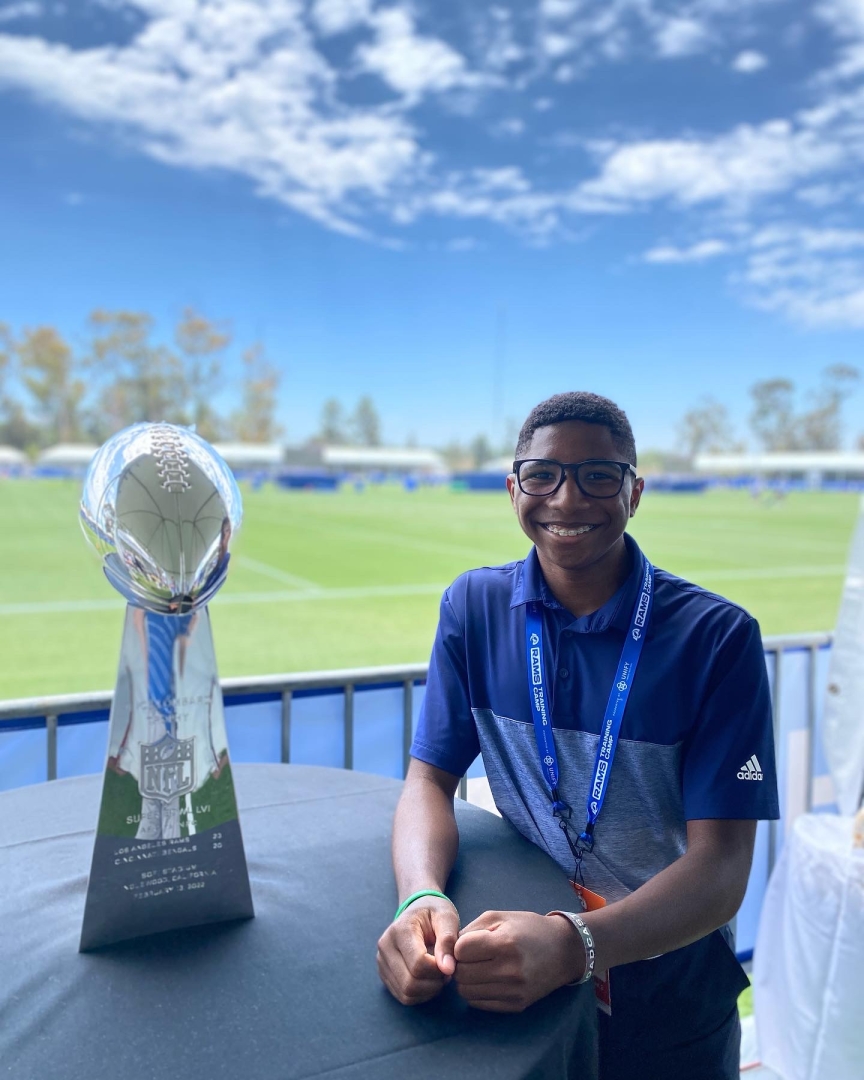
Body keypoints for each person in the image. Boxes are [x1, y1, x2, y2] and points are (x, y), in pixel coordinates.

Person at [377, 391, 779, 1080]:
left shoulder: (716, 638)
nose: (566, 498)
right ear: (513, 489)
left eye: (598, 475)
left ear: (634, 493)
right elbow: (427, 781)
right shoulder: (473, 608)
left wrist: (573, 945)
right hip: (521, 961)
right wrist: (421, 895)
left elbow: (721, 869)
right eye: (542, 475)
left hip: (669, 984)